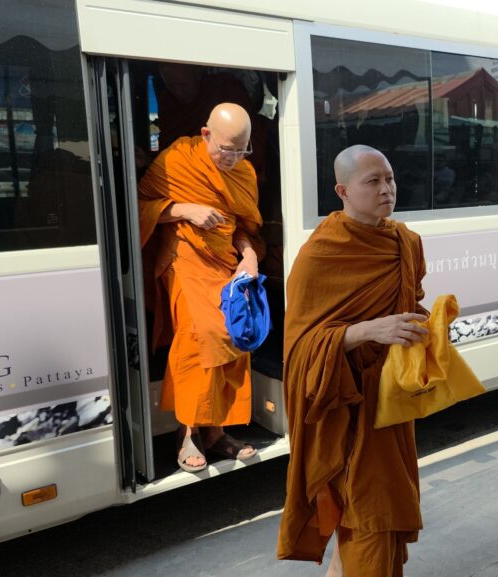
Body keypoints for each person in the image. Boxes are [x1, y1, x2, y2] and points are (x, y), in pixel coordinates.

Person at [277, 145, 428, 577]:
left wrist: (425, 324)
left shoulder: (406, 242)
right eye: (373, 181)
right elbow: (300, 350)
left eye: (390, 178)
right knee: (370, 517)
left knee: (377, 512)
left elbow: (409, 301)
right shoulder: (320, 254)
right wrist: (365, 331)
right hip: (345, 408)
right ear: (342, 191)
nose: (386, 189)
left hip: (390, 404)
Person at [138, 103, 263, 472]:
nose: (234, 158)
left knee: (236, 335)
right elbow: (138, 206)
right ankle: (188, 432)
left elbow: (240, 228)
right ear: (206, 134)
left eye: (242, 150)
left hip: (224, 263)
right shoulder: (176, 161)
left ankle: (216, 432)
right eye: (227, 149)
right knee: (200, 335)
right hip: (185, 260)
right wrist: (183, 210)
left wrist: (248, 255)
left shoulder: (244, 173)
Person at [155, 63, 268, 180]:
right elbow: (166, 146)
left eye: (183, 85)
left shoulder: (223, 88)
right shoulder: (168, 102)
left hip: (227, 174)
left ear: (198, 73)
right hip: (182, 174)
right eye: (171, 86)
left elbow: (249, 138)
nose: (178, 92)